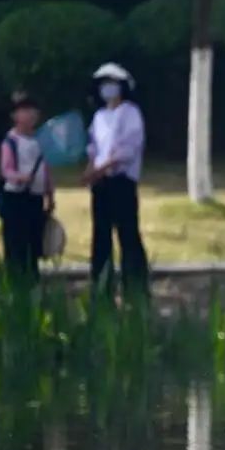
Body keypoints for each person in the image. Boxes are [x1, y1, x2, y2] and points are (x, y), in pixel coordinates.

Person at [83, 62, 149, 296]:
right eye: (104, 84)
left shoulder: (130, 113)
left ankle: (136, 286)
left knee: (127, 233)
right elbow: (93, 147)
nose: (107, 88)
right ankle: (101, 285)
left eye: (112, 83)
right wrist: (91, 170)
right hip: (101, 183)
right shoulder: (100, 116)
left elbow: (127, 150)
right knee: (101, 234)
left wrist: (103, 168)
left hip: (122, 181)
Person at [0, 92, 55, 283]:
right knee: (15, 246)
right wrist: (21, 177)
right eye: (24, 110)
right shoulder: (10, 142)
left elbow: (46, 169)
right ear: (15, 115)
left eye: (32, 110)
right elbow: (6, 170)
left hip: (35, 199)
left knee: (33, 246)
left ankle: (32, 283)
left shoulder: (40, 142)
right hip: (15, 199)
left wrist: (50, 194)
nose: (30, 114)